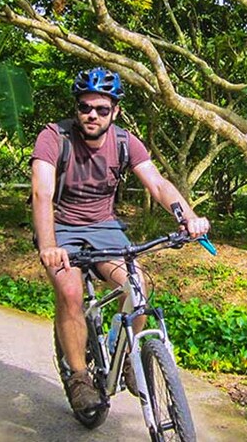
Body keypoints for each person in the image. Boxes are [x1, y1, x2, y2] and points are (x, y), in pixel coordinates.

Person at [30, 67, 210, 413]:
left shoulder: (126, 142)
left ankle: (126, 357)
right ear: (77, 108)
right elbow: (42, 192)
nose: (92, 115)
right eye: (85, 107)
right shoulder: (54, 137)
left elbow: (158, 185)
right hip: (62, 229)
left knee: (137, 283)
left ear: (116, 111)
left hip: (104, 227)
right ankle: (79, 377)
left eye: (101, 108)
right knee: (69, 292)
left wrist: (187, 216)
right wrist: (49, 245)